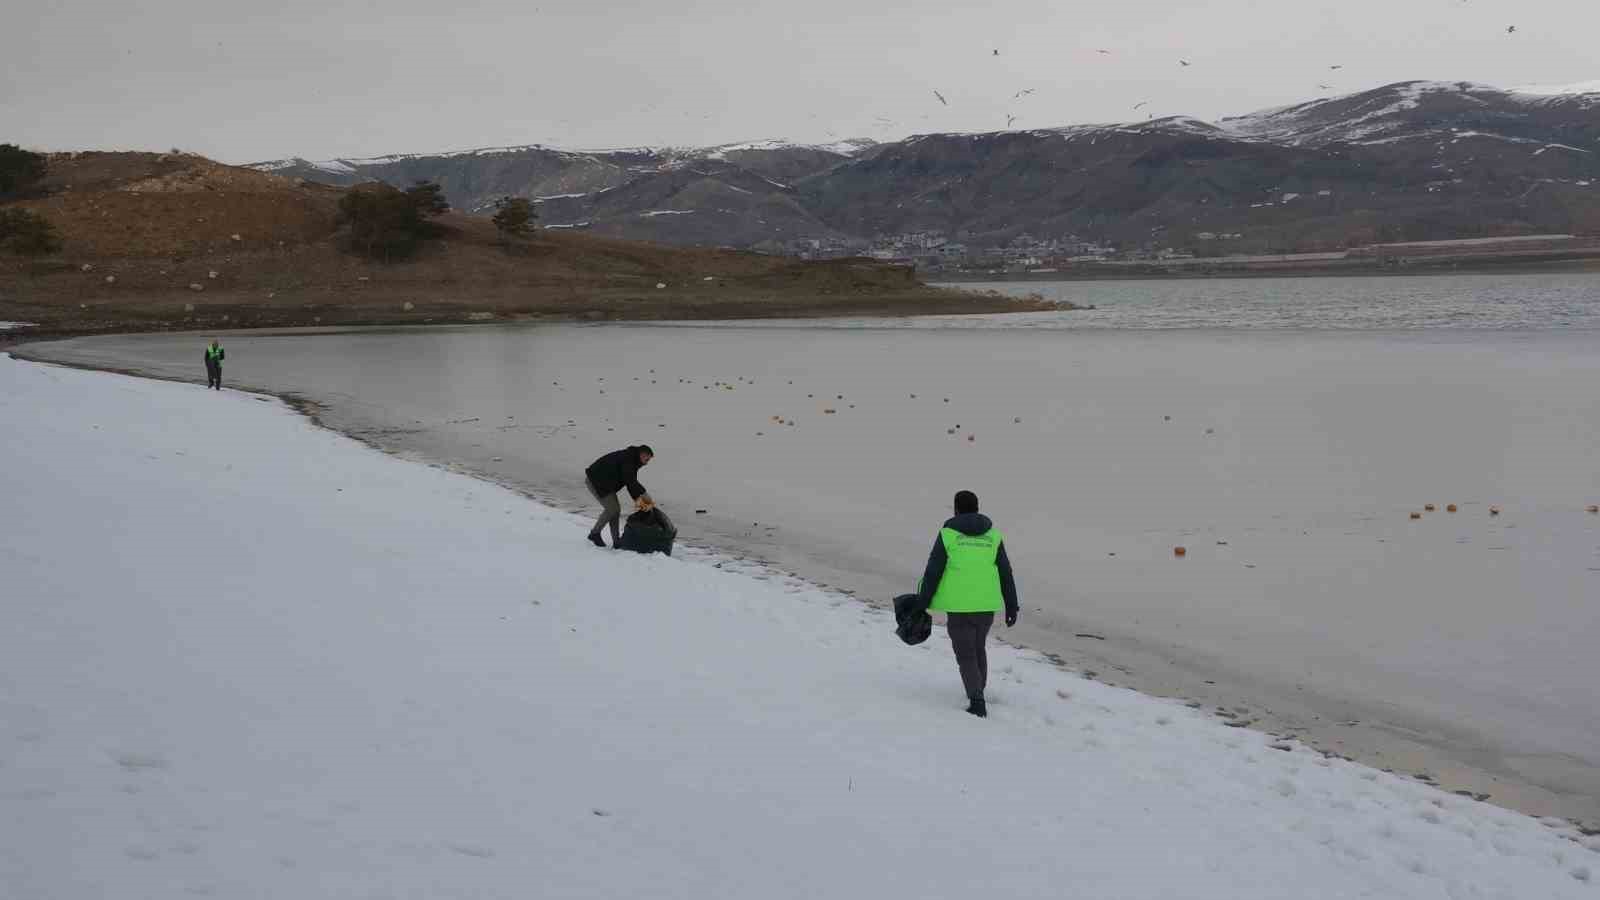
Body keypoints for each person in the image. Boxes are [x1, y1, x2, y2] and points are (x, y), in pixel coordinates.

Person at [916, 490, 1019, 718]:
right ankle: (977, 689)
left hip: (959, 606)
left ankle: (977, 700)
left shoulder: (948, 535)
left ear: (956, 509)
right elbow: (1005, 572)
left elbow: (933, 571)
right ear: (977, 507)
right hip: (986, 605)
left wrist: (922, 602)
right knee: (977, 647)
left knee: (966, 654)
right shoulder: (993, 535)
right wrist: (1012, 605)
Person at [583, 445, 654, 547]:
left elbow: (631, 484)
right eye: (646, 459)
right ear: (642, 454)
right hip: (595, 481)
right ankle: (594, 534)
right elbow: (630, 482)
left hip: (606, 484)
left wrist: (642, 502)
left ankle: (616, 542)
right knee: (612, 509)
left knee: (615, 510)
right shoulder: (628, 459)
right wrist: (643, 500)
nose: (647, 463)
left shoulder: (633, 460)